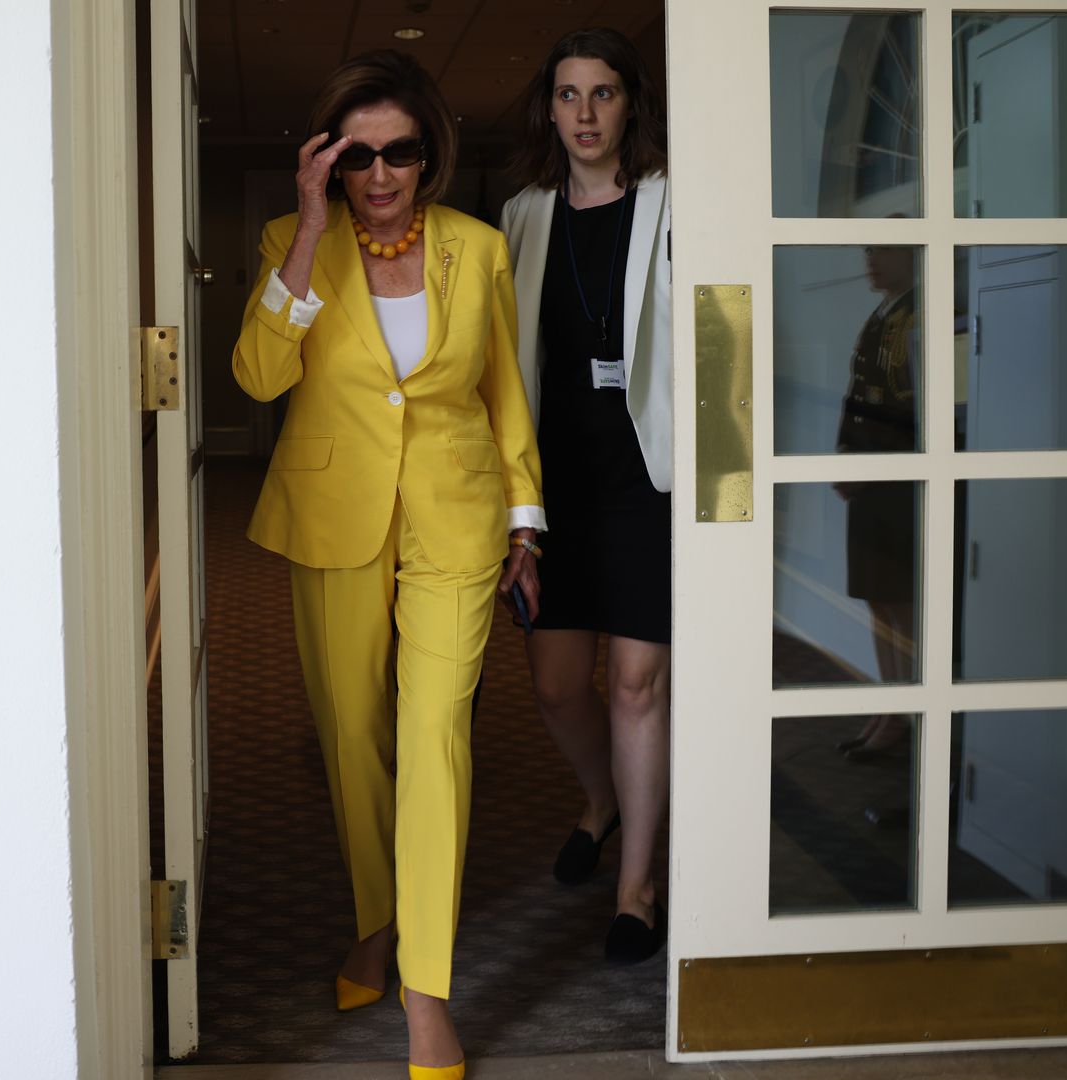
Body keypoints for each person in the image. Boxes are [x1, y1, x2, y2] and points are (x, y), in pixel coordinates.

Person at [232, 50, 543, 1080]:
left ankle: (425, 993)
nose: (379, 173)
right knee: (353, 739)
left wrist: (526, 521)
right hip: (332, 517)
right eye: (356, 154)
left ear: (428, 154)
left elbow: (504, 391)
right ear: (327, 158)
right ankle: (375, 920)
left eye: (398, 152)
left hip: (456, 522)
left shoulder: (477, 248)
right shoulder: (294, 242)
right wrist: (312, 230)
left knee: (436, 741)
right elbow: (258, 374)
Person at [498, 27, 674, 965]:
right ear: (549, 110)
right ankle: (600, 802)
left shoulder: (671, 202)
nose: (586, 114)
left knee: (638, 687)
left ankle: (637, 887)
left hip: (646, 479)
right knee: (560, 684)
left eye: (603, 93)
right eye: (569, 95)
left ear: (629, 104)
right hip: (555, 484)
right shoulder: (522, 214)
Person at [835, 243, 920, 759]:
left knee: (900, 602)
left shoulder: (919, 315)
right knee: (878, 600)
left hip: (894, 482)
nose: (869, 259)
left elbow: (914, 410)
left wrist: (865, 466)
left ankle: (905, 713)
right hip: (866, 477)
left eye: (881, 251)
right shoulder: (880, 316)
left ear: (909, 257)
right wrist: (844, 456)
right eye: (866, 250)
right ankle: (888, 708)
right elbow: (856, 395)